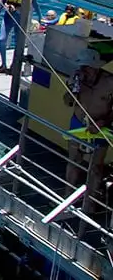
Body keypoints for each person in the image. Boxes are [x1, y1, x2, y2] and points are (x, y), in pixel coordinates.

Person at [63, 51, 113, 216]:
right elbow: (68, 102)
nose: (84, 70)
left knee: (95, 168)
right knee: (73, 161)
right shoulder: (77, 78)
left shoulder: (109, 82)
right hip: (78, 123)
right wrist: (72, 88)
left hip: (101, 127)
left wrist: (103, 123)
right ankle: (67, 198)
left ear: (95, 67)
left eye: (87, 67)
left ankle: (89, 203)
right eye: (82, 67)